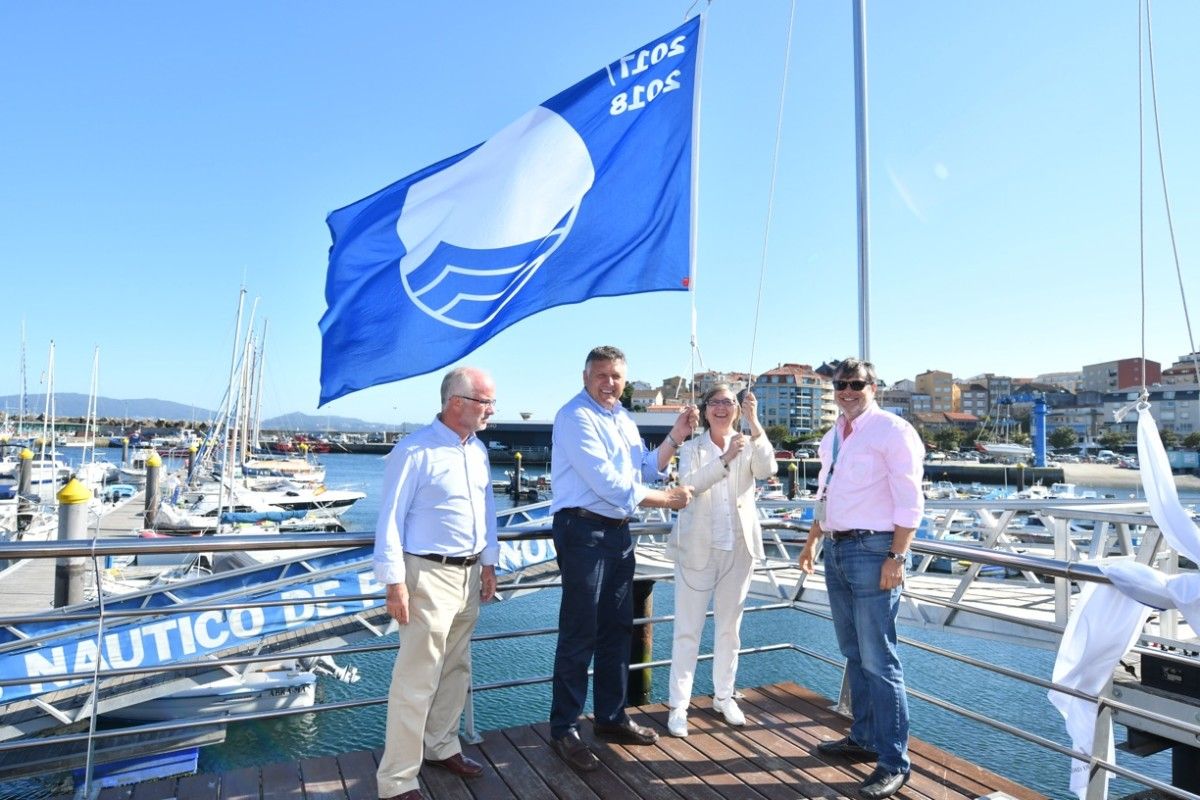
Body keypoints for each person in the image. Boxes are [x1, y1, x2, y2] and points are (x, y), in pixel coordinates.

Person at [547, 345, 697, 771]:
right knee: (581, 631)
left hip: (617, 534)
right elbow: (610, 484)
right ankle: (565, 728)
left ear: (624, 380)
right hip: (583, 531)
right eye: (601, 375)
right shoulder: (574, 417)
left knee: (616, 629)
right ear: (585, 376)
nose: (609, 383)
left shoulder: (624, 419)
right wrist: (667, 500)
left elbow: (644, 469)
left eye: (616, 376)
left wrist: (676, 436)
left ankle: (611, 717)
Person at [797, 358, 925, 800]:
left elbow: (911, 499)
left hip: (874, 551)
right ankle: (864, 737)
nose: (847, 392)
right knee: (853, 651)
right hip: (836, 548)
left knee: (880, 659)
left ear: (874, 387)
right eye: (840, 386)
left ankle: (894, 762)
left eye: (856, 384)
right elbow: (826, 493)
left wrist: (897, 555)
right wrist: (814, 540)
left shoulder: (893, 431)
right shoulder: (835, 435)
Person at [374, 367, 500, 800]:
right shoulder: (415, 451)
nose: (491, 410)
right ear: (457, 402)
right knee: (417, 678)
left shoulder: (477, 451)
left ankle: (441, 744)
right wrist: (394, 582)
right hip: (425, 574)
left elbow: (487, 512)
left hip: (467, 575)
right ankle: (397, 781)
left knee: (455, 669)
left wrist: (488, 563)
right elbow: (389, 520)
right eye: (486, 402)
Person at [665, 385, 777, 737]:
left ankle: (724, 696)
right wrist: (726, 457)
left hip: (739, 548)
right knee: (687, 631)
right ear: (705, 408)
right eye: (716, 402)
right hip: (698, 548)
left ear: (738, 408)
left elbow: (768, 468)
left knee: (730, 630)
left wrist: (755, 423)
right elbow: (689, 486)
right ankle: (678, 706)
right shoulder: (694, 448)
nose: (722, 408)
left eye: (729, 402)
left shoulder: (748, 440)